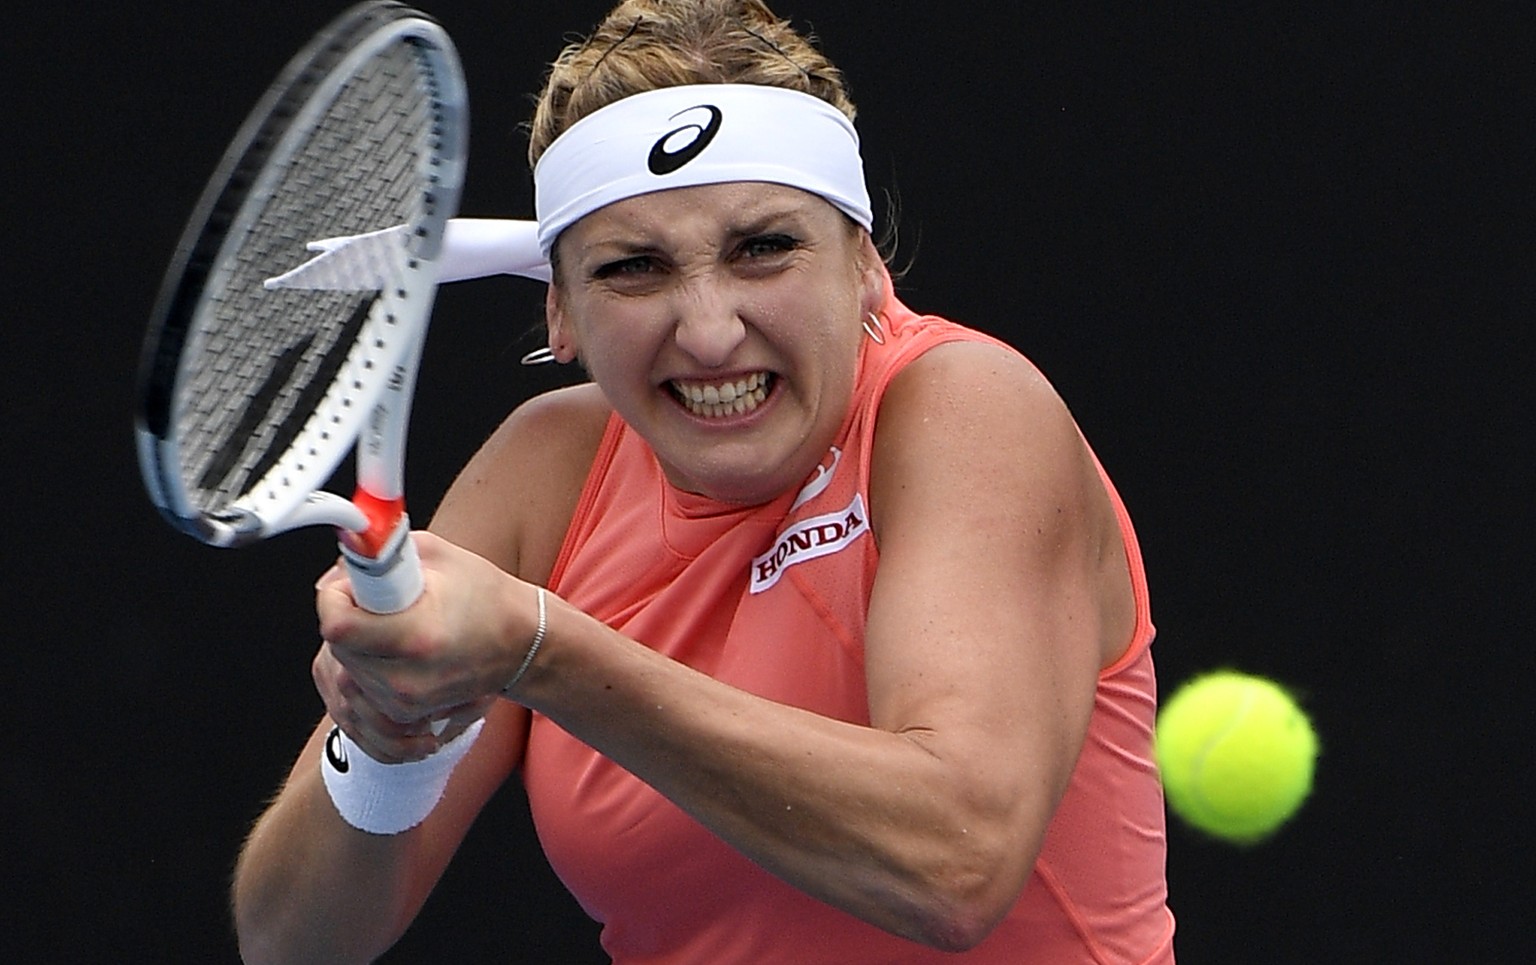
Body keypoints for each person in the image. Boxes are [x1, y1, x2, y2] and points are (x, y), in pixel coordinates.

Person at [231, 1, 1174, 962]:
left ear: (864, 265)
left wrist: (539, 647)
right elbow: (294, 946)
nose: (710, 330)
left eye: (763, 247)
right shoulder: (544, 474)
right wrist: (387, 750)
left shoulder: (968, 410)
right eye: (635, 269)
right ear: (562, 314)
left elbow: (957, 860)